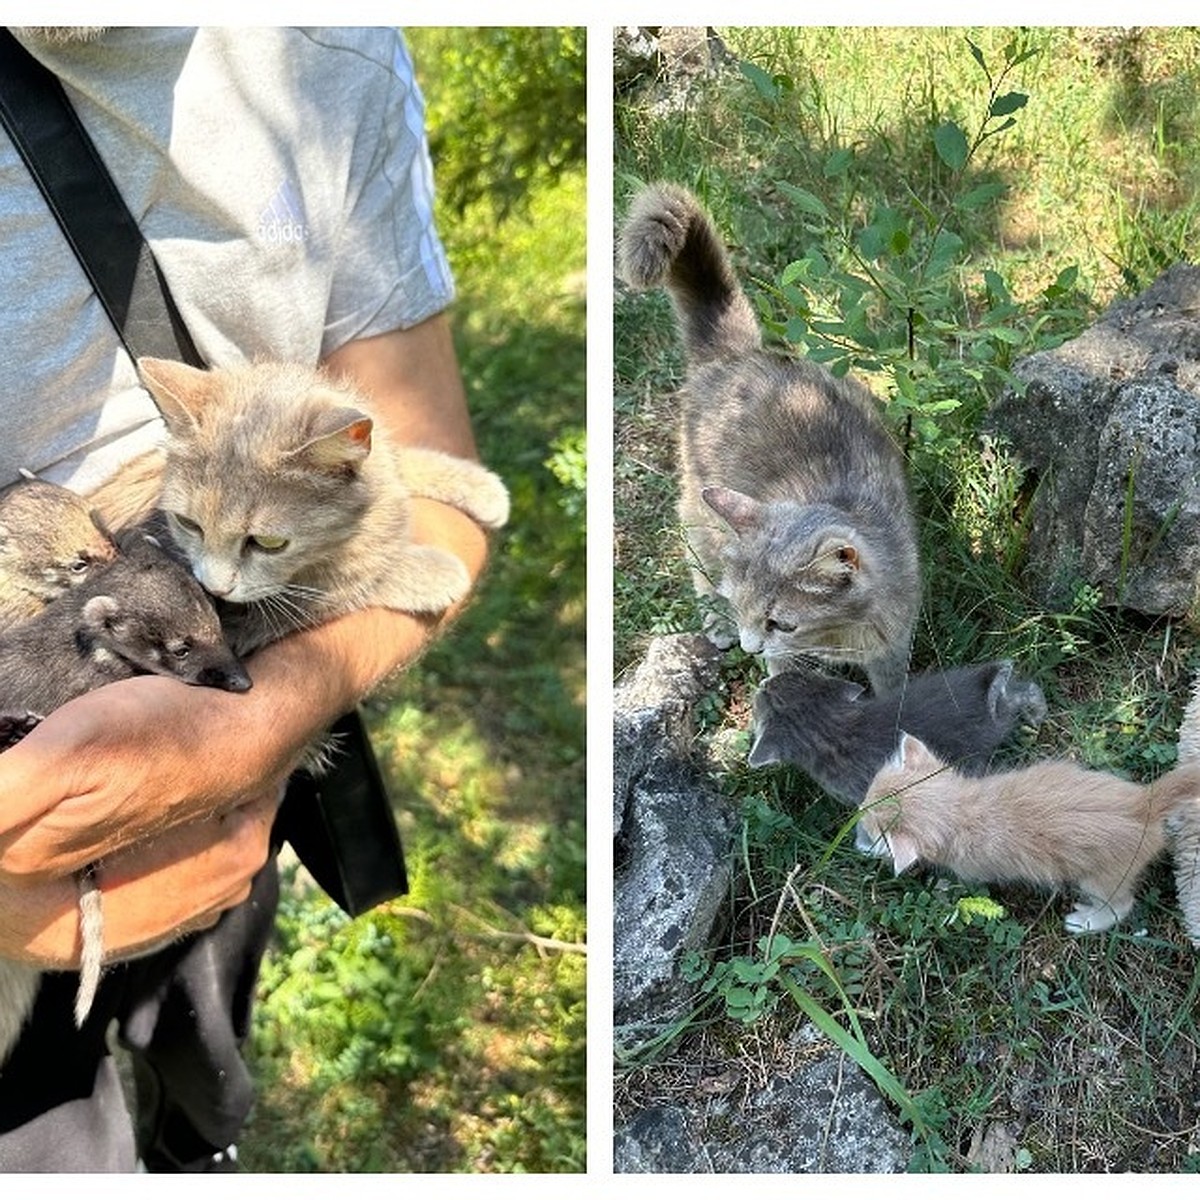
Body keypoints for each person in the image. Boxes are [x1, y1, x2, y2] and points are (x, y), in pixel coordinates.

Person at [0, 26, 491, 1171]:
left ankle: (196, 1142)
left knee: (212, 1078)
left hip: (229, 817)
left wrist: (260, 727)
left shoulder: (331, 49)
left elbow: (440, 489)